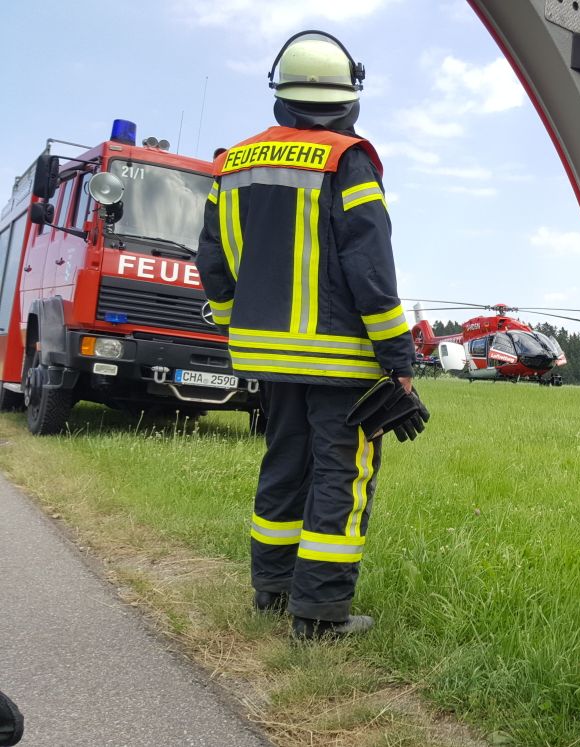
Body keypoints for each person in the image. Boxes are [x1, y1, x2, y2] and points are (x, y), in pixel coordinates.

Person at [195, 30, 415, 640]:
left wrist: (234, 323)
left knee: (284, 463)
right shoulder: (348, 160)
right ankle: (319, 616)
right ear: (349, 98)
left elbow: (213, 261)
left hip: (269, 358)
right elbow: (370, 269)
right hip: (342, 362)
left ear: (281, 94)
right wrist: (398, 360)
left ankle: (272, 589)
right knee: (341, 478)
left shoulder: (232, 165)